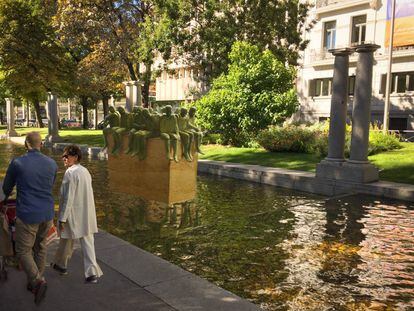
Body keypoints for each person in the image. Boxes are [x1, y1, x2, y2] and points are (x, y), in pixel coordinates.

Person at [2, 131, 58, 305]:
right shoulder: (52, 163)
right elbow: (50, 184)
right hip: (47, 213)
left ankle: (37, 280)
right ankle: (33, 283)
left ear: (26, 144)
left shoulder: (18, 163)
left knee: (23, 251)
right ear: (41, 144)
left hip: (27, 214)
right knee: (40, 248)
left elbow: (6, 187)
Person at [51, 144, 103, 283]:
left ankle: (61, 265)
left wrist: (62, 218)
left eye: (66, 156)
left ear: (75, 157)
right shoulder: (85, 171)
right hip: (86, 213)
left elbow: (68, 197)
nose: (64, 159)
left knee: (65, 238)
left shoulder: (70, 173)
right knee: (87, 243)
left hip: (73, 214)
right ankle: (90, 273)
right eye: (63, 156)